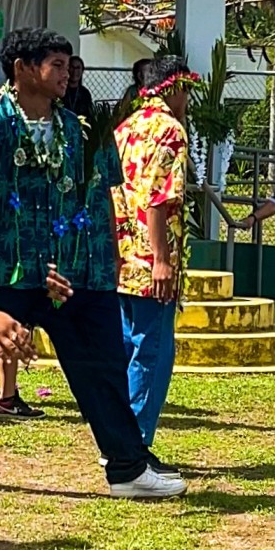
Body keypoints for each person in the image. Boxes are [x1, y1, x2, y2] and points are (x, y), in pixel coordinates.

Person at [0, 30, 171, 500]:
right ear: (23, 69)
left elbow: (105, 194)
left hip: (75, 272)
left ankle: (126, 467)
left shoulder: (80, 129)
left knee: (101, 366)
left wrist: (111, 257)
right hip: (9, 269)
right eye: (57, 65)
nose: (67, 74)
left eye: (68, 66)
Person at [109, 56, 201, 450]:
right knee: (153, 352)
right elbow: (160, 199)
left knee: (129, 347)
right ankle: (134, 445)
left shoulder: (125, 128)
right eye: (187, 91)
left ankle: (119, 439)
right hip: (151, 261)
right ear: (175, 88)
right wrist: (162, 259)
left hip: (122, 256)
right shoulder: (170, 131)